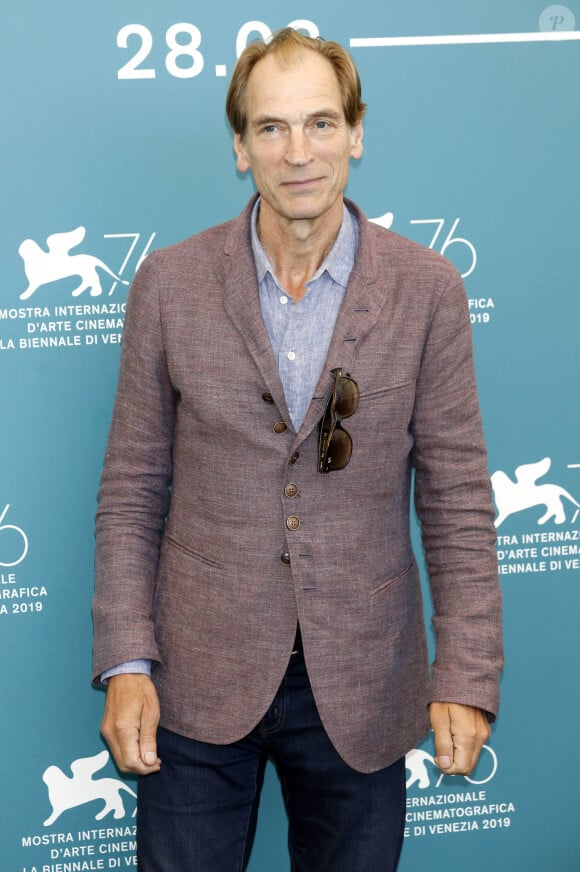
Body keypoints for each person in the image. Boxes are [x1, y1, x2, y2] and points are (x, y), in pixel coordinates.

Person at [93, 27, 503, 872]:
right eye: (271, 128)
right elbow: (133, 489)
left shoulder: (428, 292)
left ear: (357, 132)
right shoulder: (169, 285)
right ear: (240, 148)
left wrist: (464, 672)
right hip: (196, 679)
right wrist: (128, 662)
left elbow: (458, 497)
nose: (298, 152)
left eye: (320, 123)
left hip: (364, 677)